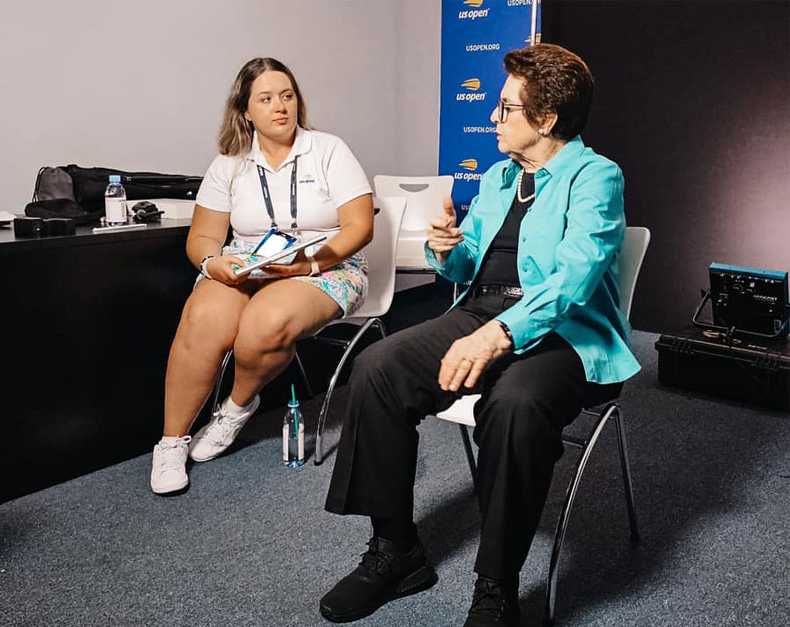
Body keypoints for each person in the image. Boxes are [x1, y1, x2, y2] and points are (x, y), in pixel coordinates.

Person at [319, 44, 641, 627]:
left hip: (566, 331)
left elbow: (574, 276)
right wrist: (449, 250)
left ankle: (497, 586)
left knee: (515, 402)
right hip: (480, 314)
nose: (494, 118)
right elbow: (471, 269)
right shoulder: (497, 177)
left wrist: (499, 336)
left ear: (545, 120)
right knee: (377, 369)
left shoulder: (596, 177)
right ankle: (396, 552)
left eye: (506, 108)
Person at [150, 57, 374, 494]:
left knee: (264, 324)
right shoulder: (229, 163)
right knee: (203, 319)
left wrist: (308, 264)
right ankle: (171, 441)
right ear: (245, 110)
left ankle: (235, 408)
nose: (280, 107)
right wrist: (213, 264)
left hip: (322, 266)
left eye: (287, 96)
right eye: (266, 98)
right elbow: (203, 237)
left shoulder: (328, 149)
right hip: (248, 264)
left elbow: (360, 226)